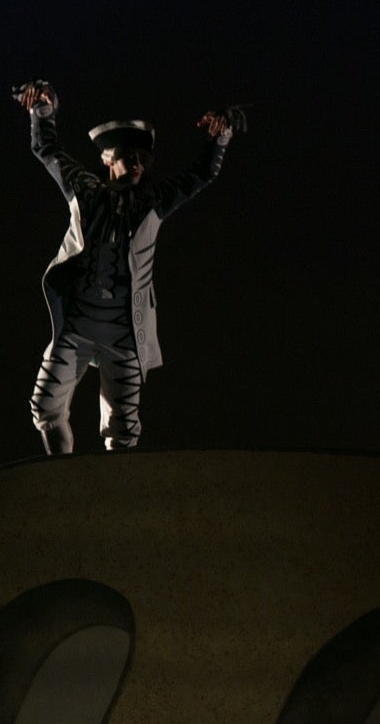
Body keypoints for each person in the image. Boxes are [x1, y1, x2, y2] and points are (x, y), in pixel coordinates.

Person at [13, 80, 234, 454]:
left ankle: (116, 495)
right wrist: (43, 111)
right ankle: (59, 480)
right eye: (126, 157)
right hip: (79, 324)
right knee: (45, 404)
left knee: (123, 424)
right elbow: (47, 150)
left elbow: (201, 175)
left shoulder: (153, 200)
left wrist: (220, 137)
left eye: (141, 159)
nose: (135, 165)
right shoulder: (84, 189)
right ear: (106, 160)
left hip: (123, 331)